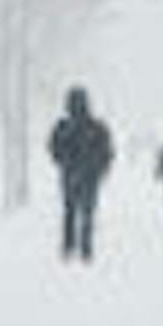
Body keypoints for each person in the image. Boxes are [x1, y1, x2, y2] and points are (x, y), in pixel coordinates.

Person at [48, 86, 114, 263]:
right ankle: (85, 248)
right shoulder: (95, 126)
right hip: (87, 177)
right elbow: (107, 152)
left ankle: (70, 248)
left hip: (72, 176)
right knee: (86, 213)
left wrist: (64, 164)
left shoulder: (63, 126)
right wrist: (100, 170)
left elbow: (53, 150)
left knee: (70, 213)